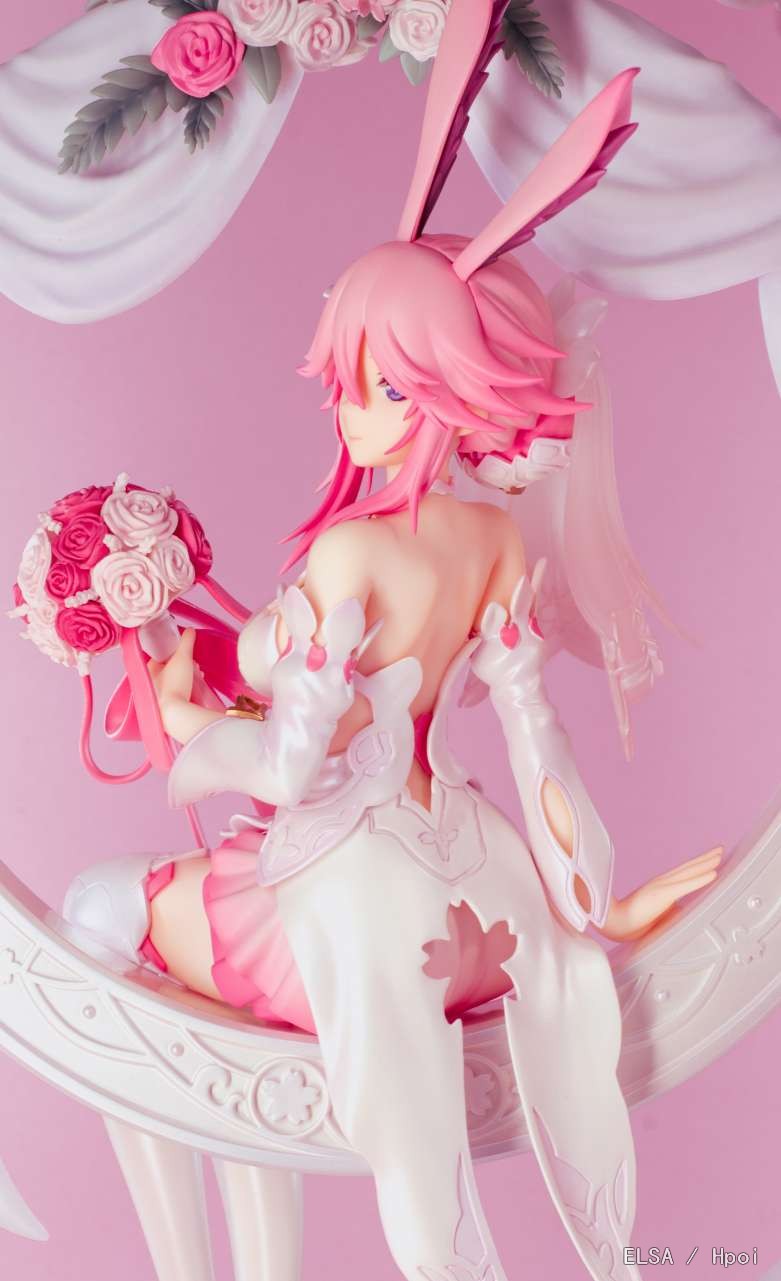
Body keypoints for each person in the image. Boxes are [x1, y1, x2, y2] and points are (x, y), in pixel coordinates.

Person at [61, 4, 722, 1278]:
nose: (349, 410)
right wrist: (592, 907)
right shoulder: (496, 547)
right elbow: (533, 740)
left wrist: (183, 719)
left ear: (438, 392)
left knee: (103, 907)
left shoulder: (348, 559)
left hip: (347, 897)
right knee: (193, 987)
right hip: (477, 894)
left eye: (373, 382)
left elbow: (288, 770)